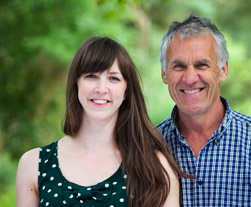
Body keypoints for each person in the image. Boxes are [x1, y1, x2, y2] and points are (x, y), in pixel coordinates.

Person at [157, 14, 251, 206]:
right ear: (164, 74)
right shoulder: (146, 147)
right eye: (178, 66)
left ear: (223, 70)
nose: (190, 78)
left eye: (202, 65)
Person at [16, 36, 183, 207]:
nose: (101, 89)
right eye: (91, 76)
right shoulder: (33, 164)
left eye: (113, 78)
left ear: (126, 91)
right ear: (76, 84)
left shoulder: (155, 168)